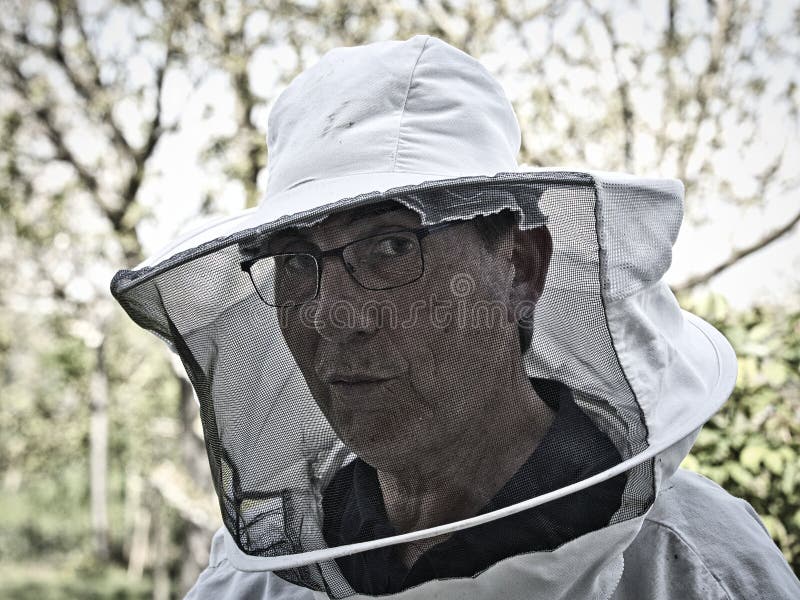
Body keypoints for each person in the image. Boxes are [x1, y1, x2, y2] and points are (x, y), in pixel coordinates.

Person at [110, 36, 800, 598]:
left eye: (389, 247)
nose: (329, 316)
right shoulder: (253, 578)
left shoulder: (693, 566)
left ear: (520, 268)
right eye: (294, 261)